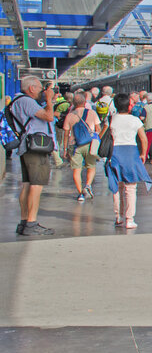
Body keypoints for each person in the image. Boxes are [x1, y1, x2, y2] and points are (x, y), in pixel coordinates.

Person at [10, 76, 58, 236]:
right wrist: (50, 100)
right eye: (38, 88)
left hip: (27, 147)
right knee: (36, 185)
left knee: (27, 184)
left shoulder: (18, 100)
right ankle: (31, 223)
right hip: (35, 148)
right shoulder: (27, 101)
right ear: (31, 88)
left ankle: (25, 221)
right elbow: (48, 117)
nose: (41, 92)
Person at [105, 93, 152, 229]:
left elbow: (103, 135)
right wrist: (143, 154)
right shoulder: (135, 120)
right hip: (131, 153)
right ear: (129, 106)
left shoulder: (110, 120)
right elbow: (143, 139)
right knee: (130, 188)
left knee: (117, 187)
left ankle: (118, 216)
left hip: (114, 153)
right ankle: (129, 219)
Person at [62, 91, 101, 201]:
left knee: (76, 170)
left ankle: (80, 194)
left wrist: (64, 149)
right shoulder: (92, 113)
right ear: (85, 102)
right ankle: (87, 186)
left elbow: (66, 134)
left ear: (73, 103)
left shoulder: (70, 116)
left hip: (75, 146)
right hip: (90, 144)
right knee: (91, 166)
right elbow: (98, 129)